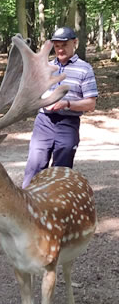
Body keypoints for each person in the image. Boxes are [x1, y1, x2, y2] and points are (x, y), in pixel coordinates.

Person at [22, 26, 98, 187]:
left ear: (74, 43)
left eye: (64, 45)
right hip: (44, 121)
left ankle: (56, 204)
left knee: (62, 168)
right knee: (35, 164)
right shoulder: (45, 68)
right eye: (57, 46)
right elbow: (32, 93)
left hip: (68, 123)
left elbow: (91, 103)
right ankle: (27, 203)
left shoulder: (84, 69)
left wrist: (67, 104)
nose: (60, 49)